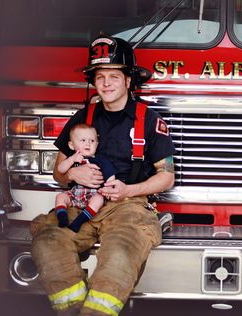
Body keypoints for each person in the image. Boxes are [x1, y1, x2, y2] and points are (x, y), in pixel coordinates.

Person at [31, 33, 175, 315]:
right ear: (93, 82)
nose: (106, 83)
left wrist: (128, 190)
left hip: (128, 207)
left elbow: (167, 177)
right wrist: (76, 175)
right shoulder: (82, 118)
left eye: (114, 76)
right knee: (48, 240)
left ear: (128, 81)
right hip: (81, 204)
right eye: (100, 77)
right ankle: (72, 309)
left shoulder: (149, 119)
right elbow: (59, 173)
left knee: (119, 256)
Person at [55, 123, 116, 233]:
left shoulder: (99, 160)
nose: (88, 143)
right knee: (60, 196)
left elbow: (110, 174)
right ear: (71, 145)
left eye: (92, 141)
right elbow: (60, 169)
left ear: (96, 145)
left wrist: (109, 186)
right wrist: (72, 159)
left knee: (99, 199)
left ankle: (80, 221)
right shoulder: (72, 159)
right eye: (83, 140)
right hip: (75, 193)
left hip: (92, 194)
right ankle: (62, 218)